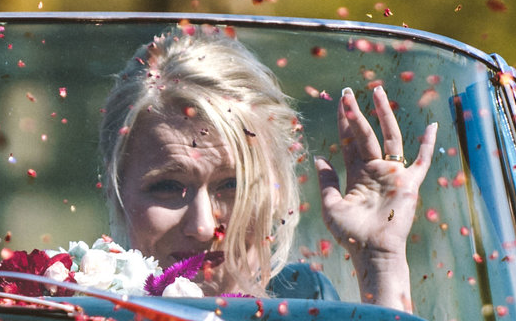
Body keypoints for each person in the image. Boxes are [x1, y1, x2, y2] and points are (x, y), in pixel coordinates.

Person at [95, 29, 435, 306]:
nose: (201, 227)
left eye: (232, 185)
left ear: (277, 190)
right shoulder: (70, 314)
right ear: (117, 190)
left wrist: (381, 262)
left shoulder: (305, 304)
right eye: (168, 186)